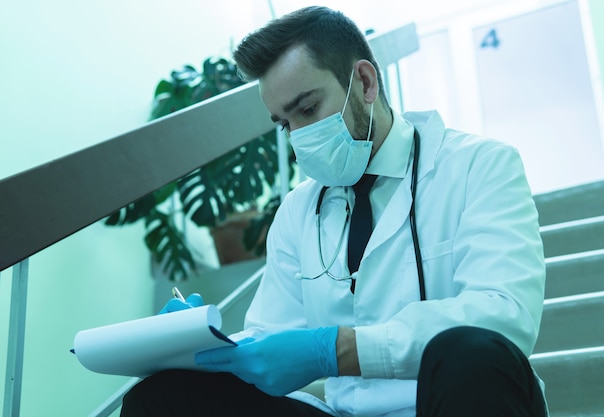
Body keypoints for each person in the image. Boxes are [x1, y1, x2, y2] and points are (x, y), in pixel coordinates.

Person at [121, 6, 548, 417]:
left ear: (364, 82)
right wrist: (201, 346)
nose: (299, 136)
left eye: (308, 108)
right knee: (163, 398)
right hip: (344, 412)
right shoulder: (297, 211)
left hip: (454, 401)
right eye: (285, 123)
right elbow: (270, 339)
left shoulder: (479, 165)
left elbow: (505, 317)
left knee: (472, 352)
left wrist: (338, 349)